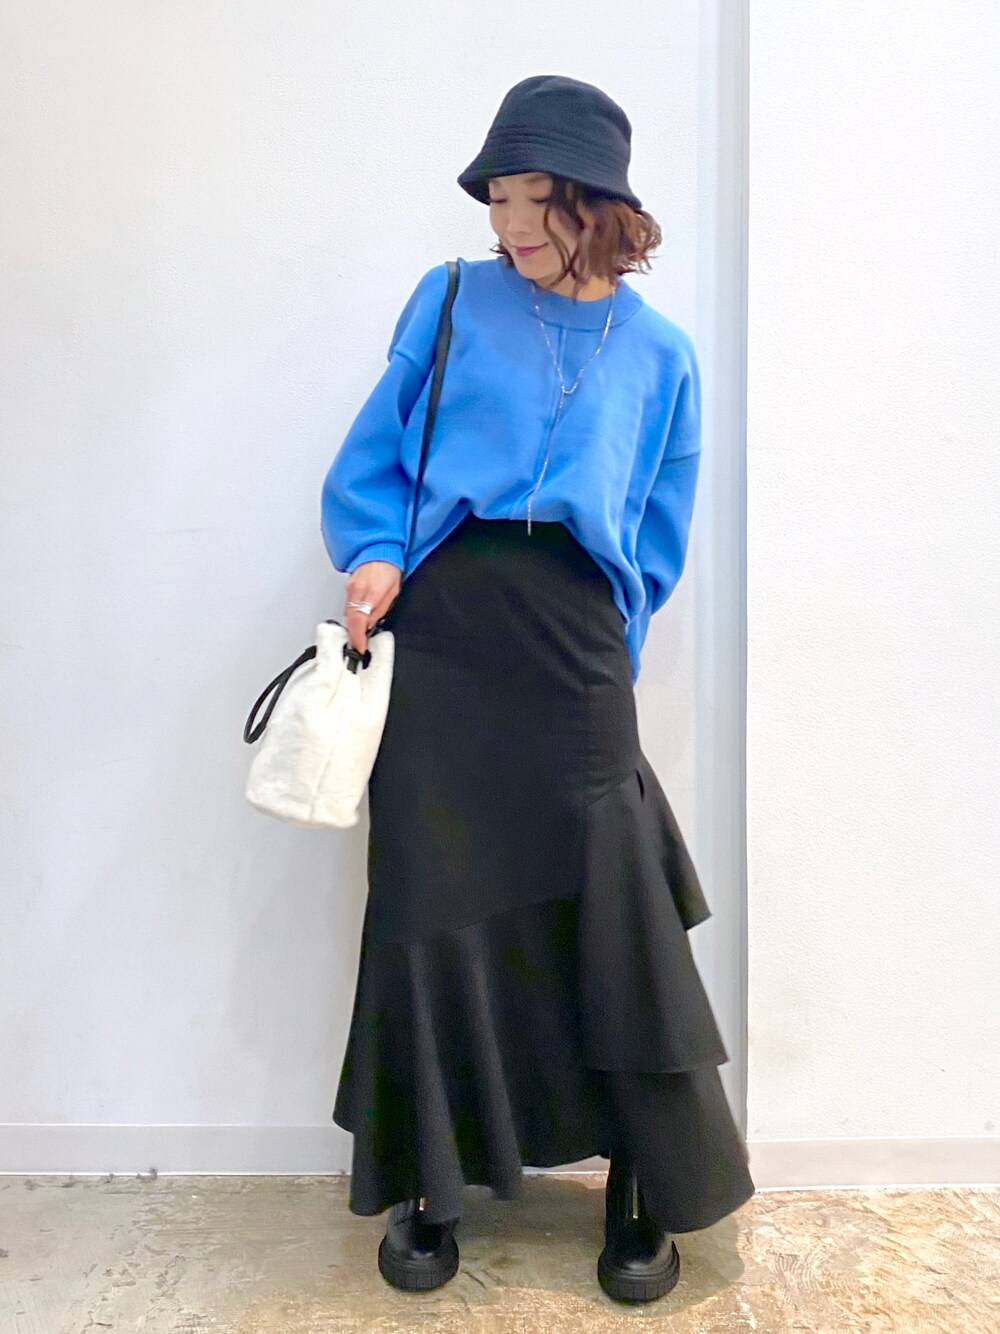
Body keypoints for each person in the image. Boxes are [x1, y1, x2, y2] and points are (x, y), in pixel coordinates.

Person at [319, 74, 755, 1306]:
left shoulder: (661, 354)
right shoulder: (451, 297)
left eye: (534, 200)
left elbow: (655, 528)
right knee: (430, 888)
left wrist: (610, 632)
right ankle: (431, 1178)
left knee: (610, 897)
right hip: (449, 624)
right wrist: (375, 552)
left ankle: (638, 1176)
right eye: (497, 200)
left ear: (598, 205)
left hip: (572, 644)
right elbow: (379, 451)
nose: (509, 224)